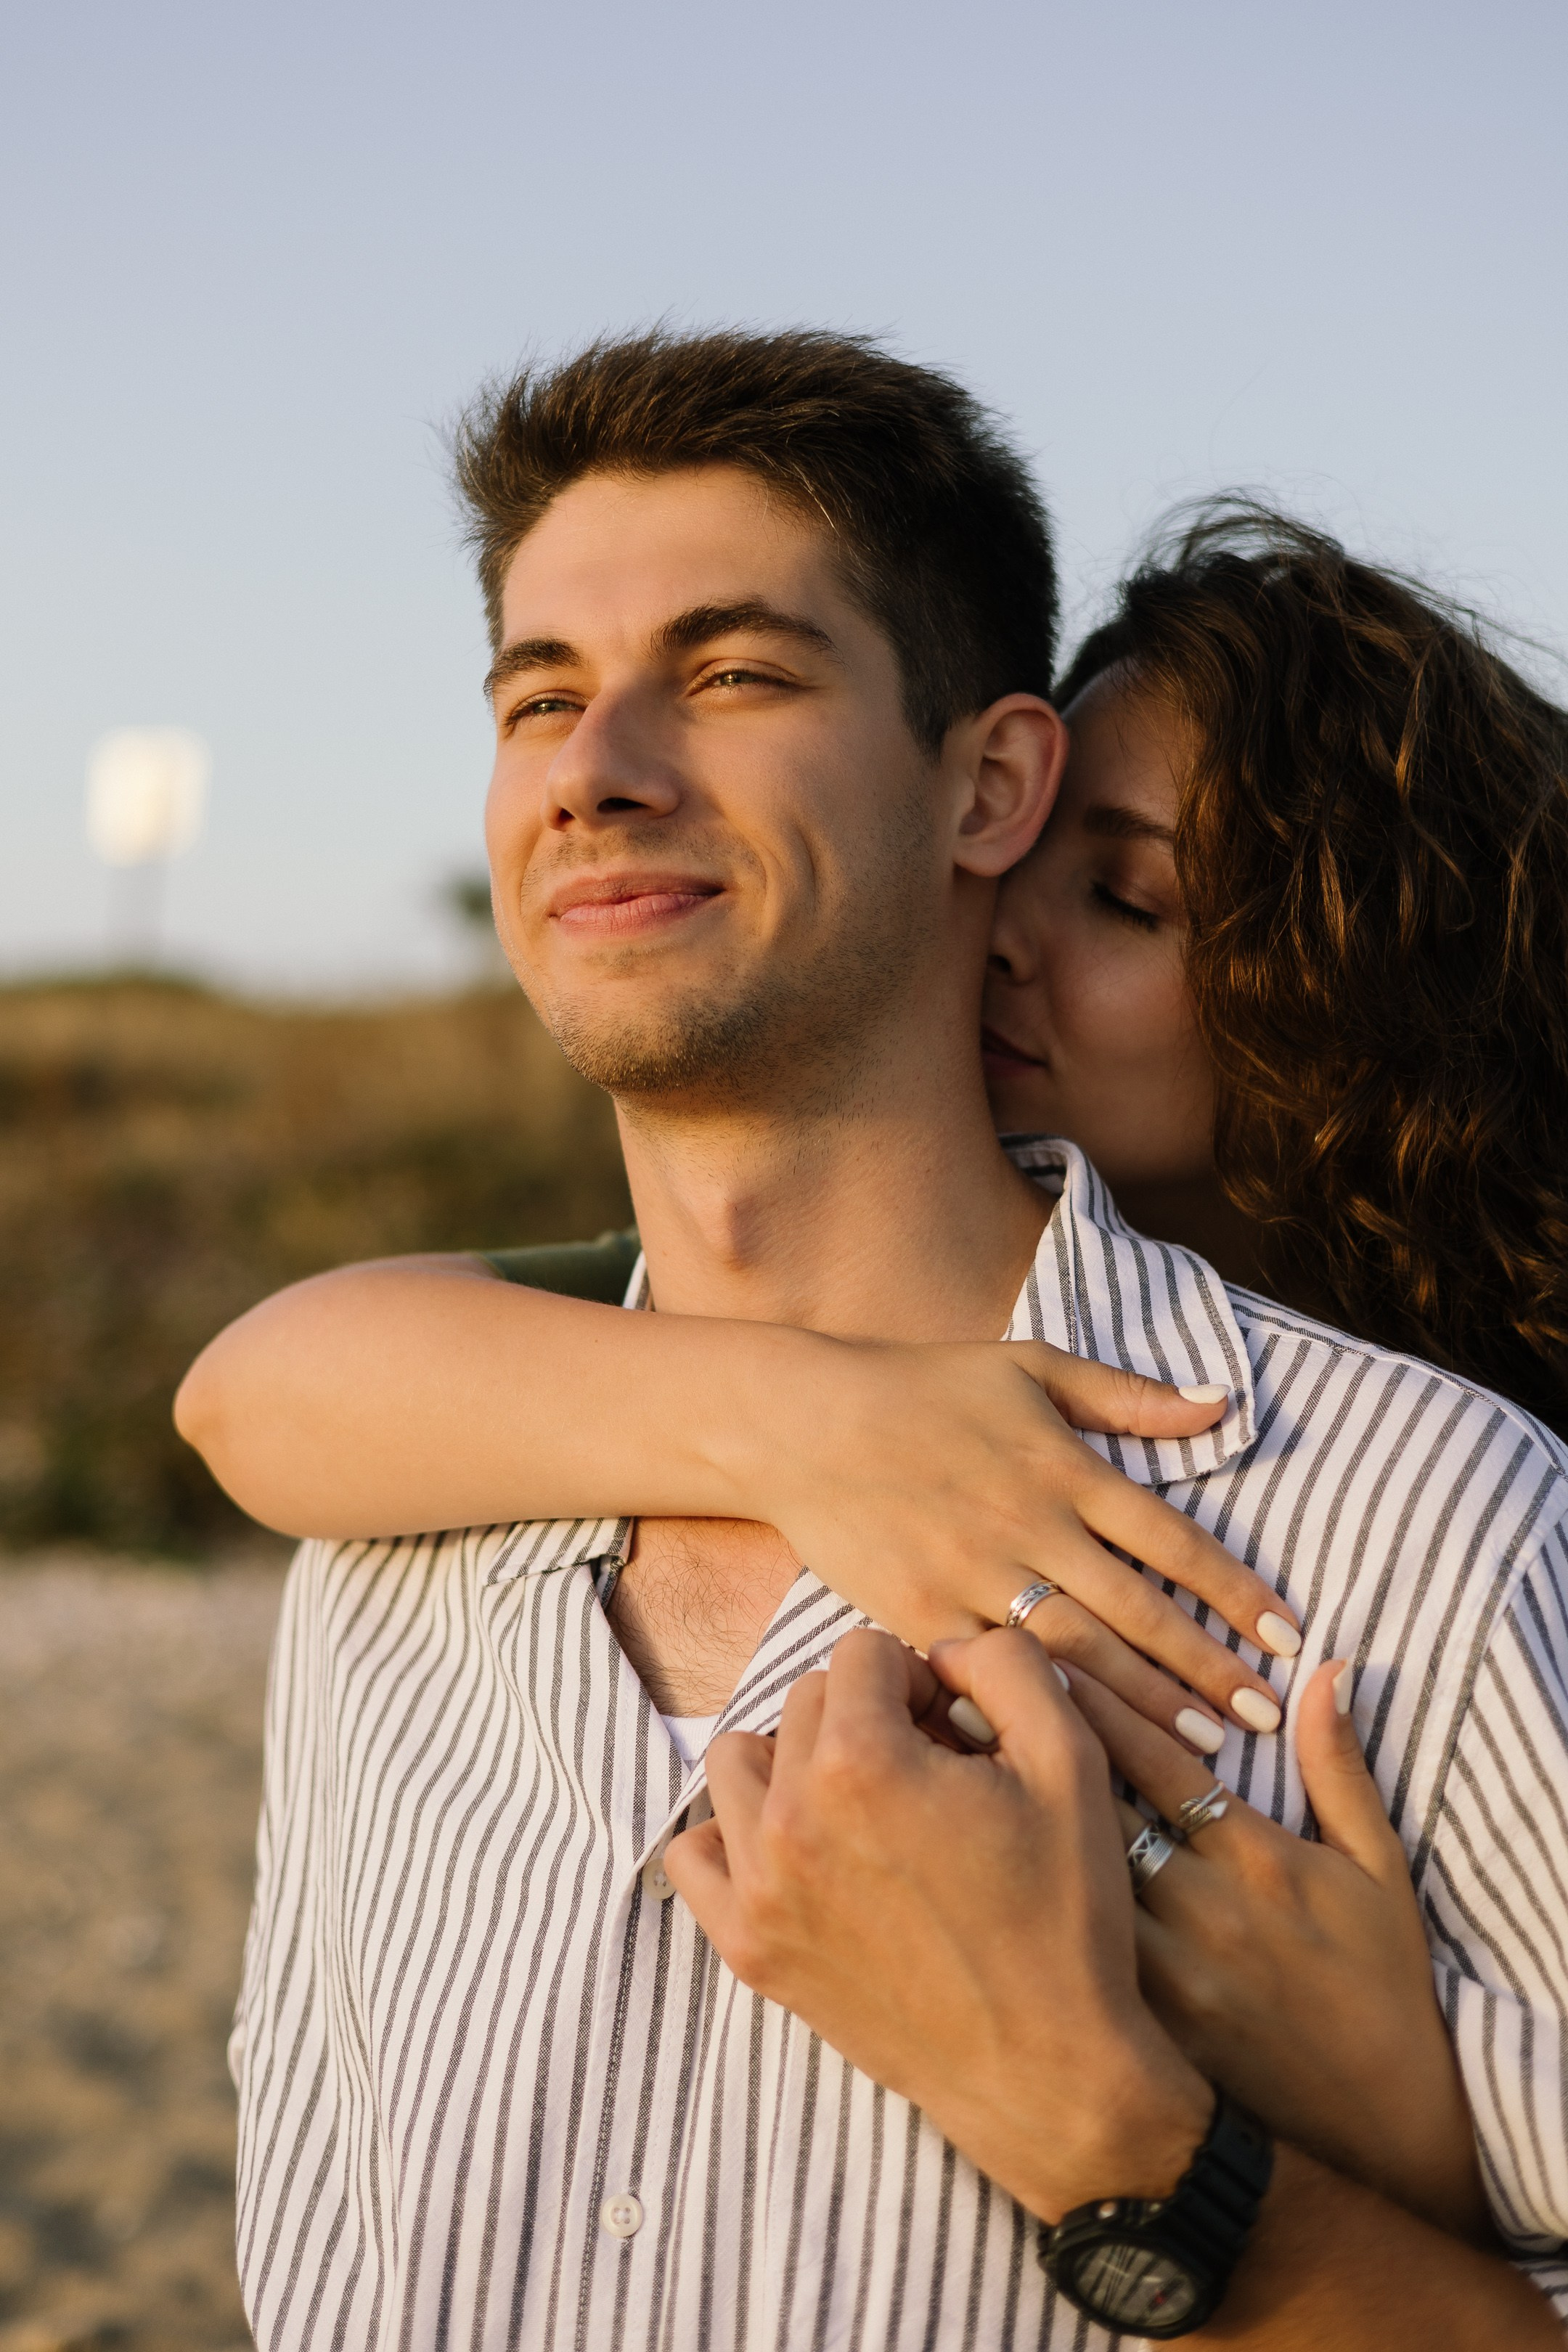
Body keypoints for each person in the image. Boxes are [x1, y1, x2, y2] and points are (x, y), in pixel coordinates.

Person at [189, 333, 1568, 2345]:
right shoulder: (395, 1562)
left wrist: (1264, 2127)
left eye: (736, 671)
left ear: (982, 782)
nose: (597, 767)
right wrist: (804, 1423)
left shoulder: (1430, 1526)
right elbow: (257, 1387)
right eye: (539, 697)